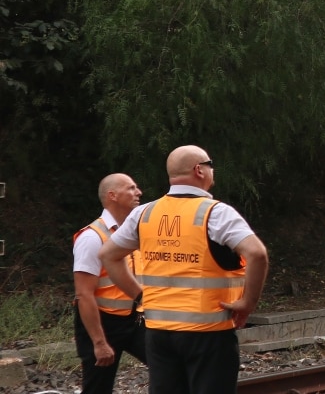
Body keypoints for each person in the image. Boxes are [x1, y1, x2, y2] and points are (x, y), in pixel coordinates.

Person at [99, 145, 269, 394]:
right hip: (208, 332)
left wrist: (139, 295)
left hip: (158, 332)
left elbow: (108, 255)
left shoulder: (144, 213)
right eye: (210, 165)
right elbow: (257, 253)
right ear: (199, 170)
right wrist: (248, 303)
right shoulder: (216, 213)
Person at [72, 173, 149, 394]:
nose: (138, 193)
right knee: (98, 388)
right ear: (112, 195)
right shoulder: (92, 237)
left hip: (136, 319)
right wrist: (99, 342)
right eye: (132, 188)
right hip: (102, 323)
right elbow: (83, 294)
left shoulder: (135, 231)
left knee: (171, 365)